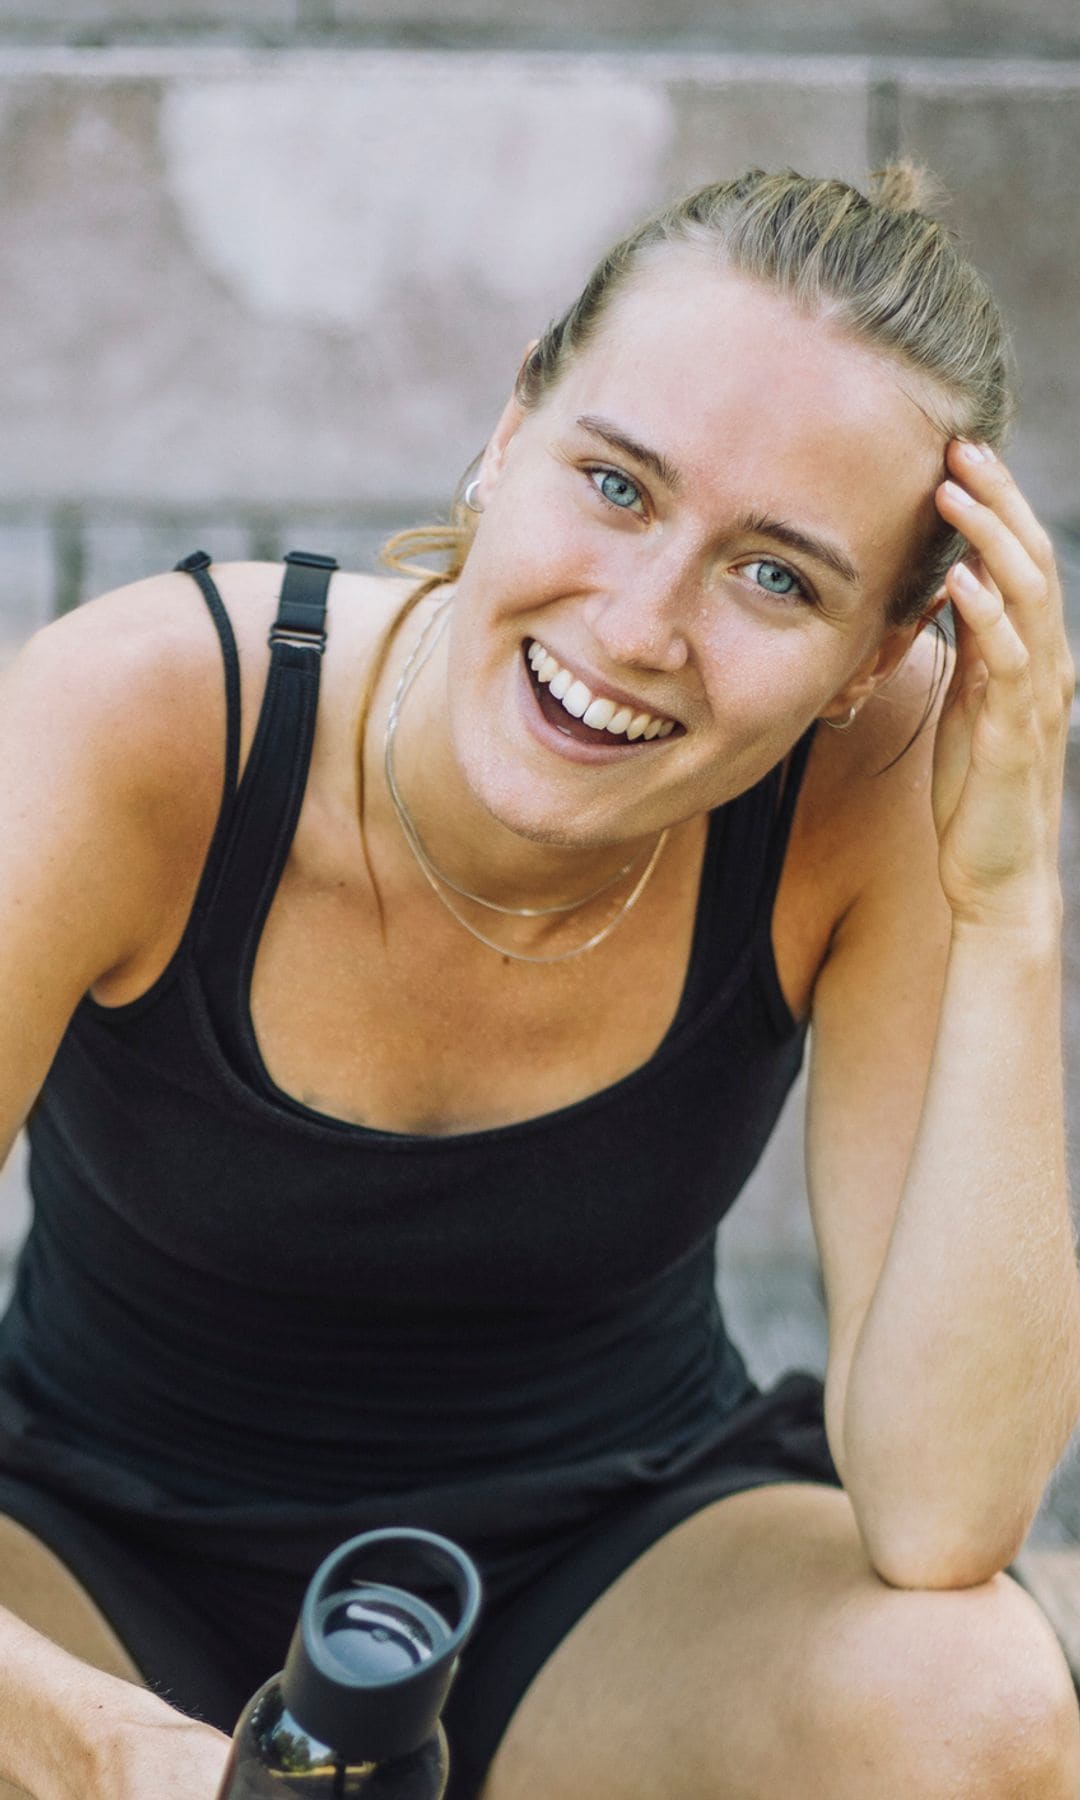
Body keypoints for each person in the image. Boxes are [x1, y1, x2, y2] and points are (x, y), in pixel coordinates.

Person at [0, 158, 1078, 1800]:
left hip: (604, 1575)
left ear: (878, 656)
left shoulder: (871, 780)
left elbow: (943, 1517)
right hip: (78, 1555)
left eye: (777, 575)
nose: (643, 624)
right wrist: (105, 1749)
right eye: (619, 485)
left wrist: (1004, 904)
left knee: (980, 1709)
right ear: (511, 433)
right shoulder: (137, 723)